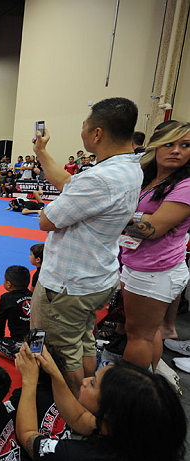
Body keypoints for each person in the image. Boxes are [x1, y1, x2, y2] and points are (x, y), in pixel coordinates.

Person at [30, 97, 143, 396]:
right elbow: (70, 183)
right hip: (96, 276)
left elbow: (46, 220)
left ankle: (75, 403)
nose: (82, 132)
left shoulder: (100, 178)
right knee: (82, 338)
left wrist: (47, 206)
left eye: (84, 127)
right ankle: (89, 388)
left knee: (61, 346)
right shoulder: (129, 167)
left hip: (68, 282)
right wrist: (42, 153)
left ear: (97, 134)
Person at [15, 344, 186, 461]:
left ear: (110, 412)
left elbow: (28, 435)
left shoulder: (77, 455)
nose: (85, 380)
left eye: (94, 383)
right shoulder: (140, 432)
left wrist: (29, 380)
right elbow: (80, 419)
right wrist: (54, 373)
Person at [118, 122, 190, 370]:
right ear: (156, 146)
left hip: (154, 271)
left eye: (185, 145)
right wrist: (142, 220)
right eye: (169, 144)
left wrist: (126, 218)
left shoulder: (186, 185)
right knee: (148, 331)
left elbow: (153, 230)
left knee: (139, 336)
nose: (176, 151)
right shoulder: (149, 177)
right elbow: (148, 224)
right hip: (144, 264)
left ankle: (130, 394)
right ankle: (148, 380)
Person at [0, 266, 32, 359]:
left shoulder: (6, 298)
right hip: (35, 339)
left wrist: (0, 337)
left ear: (8, 284)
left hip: (19, 342)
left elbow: (0, 319)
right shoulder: (32, 295)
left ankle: (18, 357)